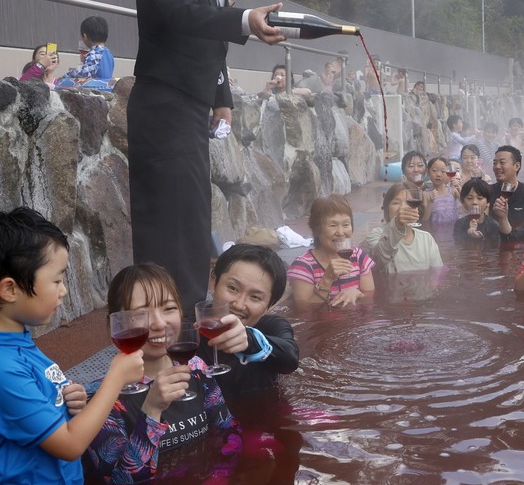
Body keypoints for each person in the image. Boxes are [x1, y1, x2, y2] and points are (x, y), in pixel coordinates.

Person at [128, 0, 285, 316]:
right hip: (163, 106)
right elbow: (183, 15)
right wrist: (242, 21)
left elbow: (209, 39)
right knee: (170, 226)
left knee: (191, 220)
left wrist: (222, 99)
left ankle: (185, 322)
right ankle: (168, 333)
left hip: (189, 105)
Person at [0, 208, 145, 485]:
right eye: (57, 280)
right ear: (10, 289)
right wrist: (115, 378)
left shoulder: (18, 344)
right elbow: (70, 445)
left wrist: (69, 400)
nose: (64, 290)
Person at [84, 263, 242, 483]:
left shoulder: (196, 368)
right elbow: (120, 480)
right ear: (115, 325)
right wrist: (151, 410)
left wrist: (221, 476)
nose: (159, 324)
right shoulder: (100, 398)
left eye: (168, 308)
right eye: (141, 313)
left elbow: (228, 433)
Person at [198, 244, 299, 396]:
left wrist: (251, 341)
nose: (239, 305)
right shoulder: (190, 329)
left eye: (255, 297)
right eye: (233, 288)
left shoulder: (272, 326)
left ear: (270, 305)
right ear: (214, 283)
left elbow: (290, 360)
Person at [287, 194, 375, 308]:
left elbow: (370, 297)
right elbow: (304, 309)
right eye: (333, 225)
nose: (340, 232)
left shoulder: (359, 257)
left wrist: (357, 293)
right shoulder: (303, 267)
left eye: (346, 225)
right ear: (317, 229)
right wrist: (327, 279)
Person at [366, 182, 443, 301]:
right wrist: (397, 225)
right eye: (396, 203)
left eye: (409, 202)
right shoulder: (376, 235)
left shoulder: (426, 239)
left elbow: (436, 274)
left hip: (420, 302)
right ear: (387, 209)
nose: (403, 207)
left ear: (417, 208)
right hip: (391, 302)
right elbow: (379, 258)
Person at [489, 145, 524, 241]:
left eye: (502, 162)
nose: (497, 166)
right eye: (495, 163)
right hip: (494, 249)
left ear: (516, 166)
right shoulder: (488, 192)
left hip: (522, 249)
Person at [454, 178, 500, 243]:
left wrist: (480, 239)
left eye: (480, 198)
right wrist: (468, 236)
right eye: (470, 198)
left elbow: (494, 247)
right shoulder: (460, 224)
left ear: (488, 203)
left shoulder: (493, 225)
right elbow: (458, 245)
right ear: (463, 203)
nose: (474, 202)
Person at [422, 156, 461, 226]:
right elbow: (424, 220)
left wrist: (460, 190)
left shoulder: (453, 191)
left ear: (448, 173)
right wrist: (431, 202)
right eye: (434, 170)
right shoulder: (426, 194)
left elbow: (466, 207)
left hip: (454, 231)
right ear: (428, 172)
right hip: (435, 232)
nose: (438, 174)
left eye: (443, 171)